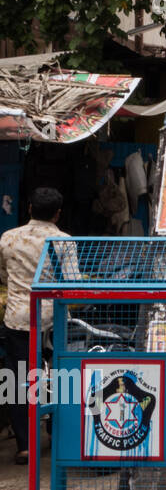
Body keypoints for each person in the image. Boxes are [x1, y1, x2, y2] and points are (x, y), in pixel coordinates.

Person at [0, 187, 79, 465]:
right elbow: (72, 282)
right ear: (58, 213)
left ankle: (25, 445)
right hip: (53, 319)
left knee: (19, 380)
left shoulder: (9, 238)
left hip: (19, 319)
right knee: (61, 376)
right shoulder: (64, 241)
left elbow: (3, 273)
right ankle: (56, 434)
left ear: (30, 208)